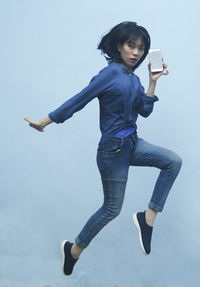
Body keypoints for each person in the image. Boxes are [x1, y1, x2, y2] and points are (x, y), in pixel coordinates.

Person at [24, 21, 182, 275]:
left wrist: (153, 82)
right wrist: (45, 120)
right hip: (113, 150)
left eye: (141, 48)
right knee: (112, 210)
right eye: (131, 45)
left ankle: (147, 218)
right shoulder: (108, 75)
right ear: (119, 45)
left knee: (173, 161)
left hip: (133, 143)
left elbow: (146, 110)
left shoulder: (134, 79)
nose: (136, 52)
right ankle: (74, 250)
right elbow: (79, 100)